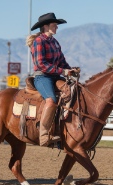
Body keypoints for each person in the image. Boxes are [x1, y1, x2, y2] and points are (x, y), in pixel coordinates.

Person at [26, 12, 78, 147]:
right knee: (51, 101)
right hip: (42, 77)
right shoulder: (38, 41)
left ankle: (63, 131)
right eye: (55, 25)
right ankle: (43, 136)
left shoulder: (55, 42)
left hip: (55, 76)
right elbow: (41, 64)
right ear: (46, 26)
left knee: (71, 93)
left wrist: (70, 70)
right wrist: (63, 71)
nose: (57, 27)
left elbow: (62, 61)